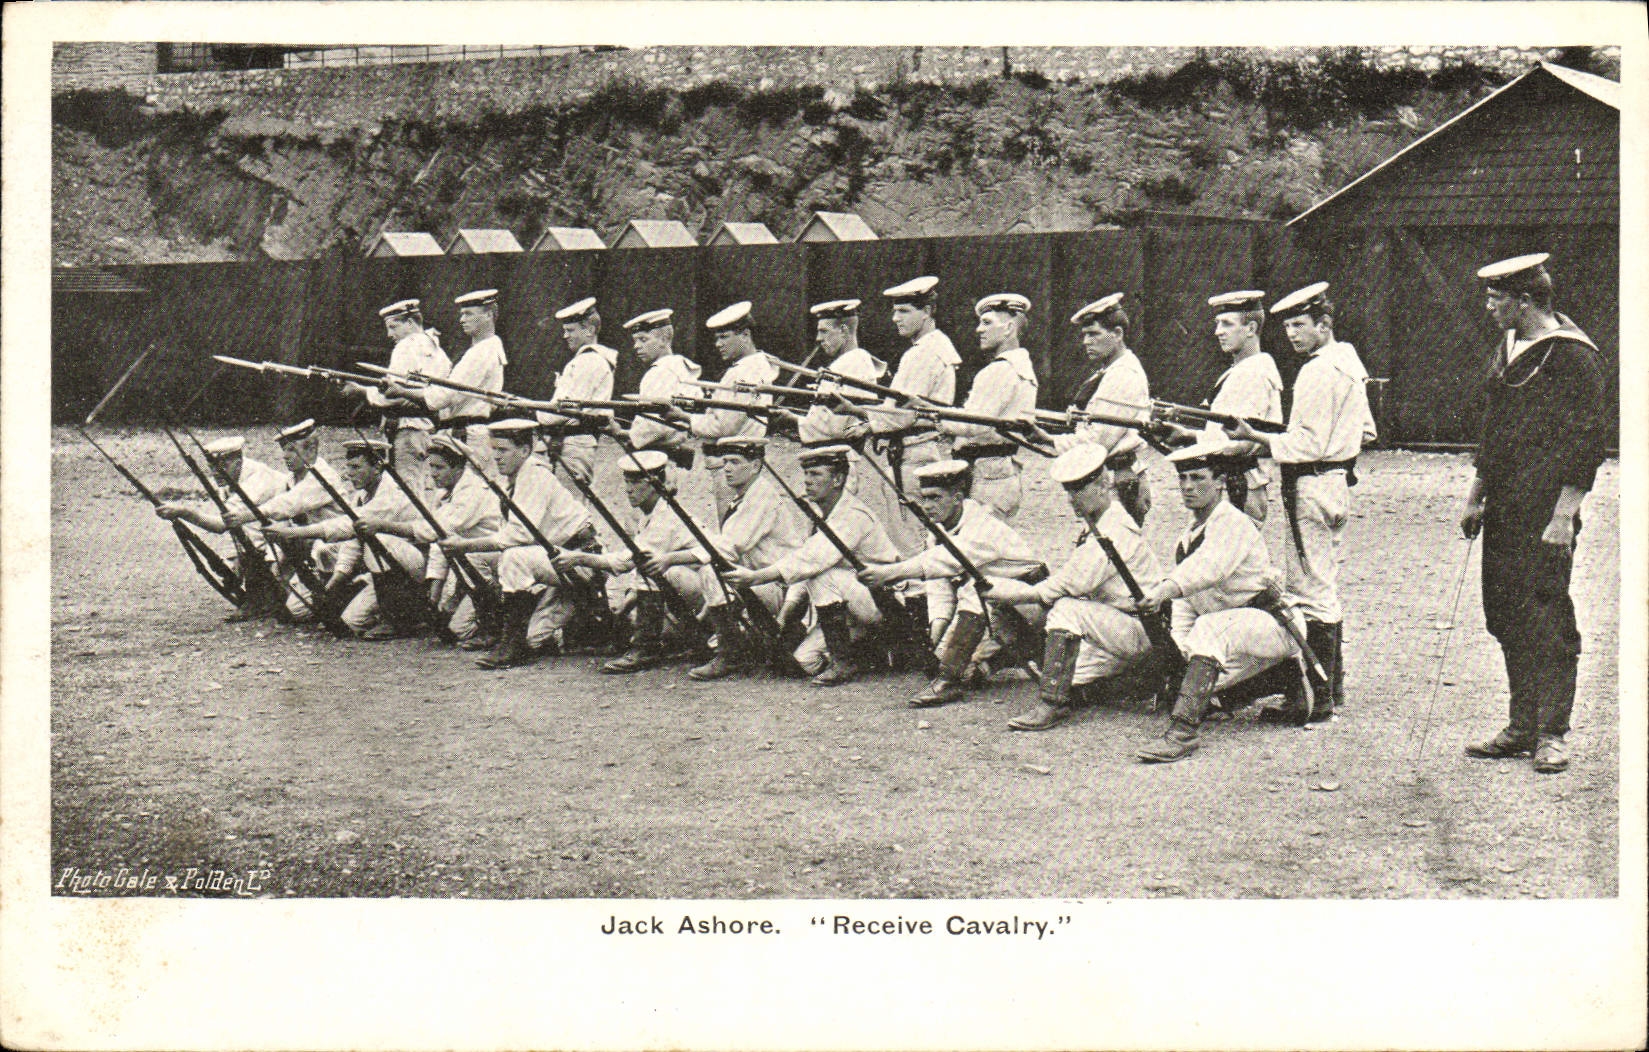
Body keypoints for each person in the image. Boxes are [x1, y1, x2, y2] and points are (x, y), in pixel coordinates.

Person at [1460, 253, 1609, 775]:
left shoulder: (1573, 355)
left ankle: (1552, 733)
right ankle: (1521, 726)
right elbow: (1493, 428)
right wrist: (1476, 494)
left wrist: (1564, 515)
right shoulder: (1509, 346)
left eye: (1496, 298)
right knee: (1504, 613)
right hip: (1504, 503)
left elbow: (1587, 442)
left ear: (1526, 301)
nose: (1488, 307)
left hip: (1547, 508)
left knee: (1546, 614)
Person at [1227, 281, 1377, 721]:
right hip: (1337, 482)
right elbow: (1367, 431)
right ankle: (1334, 687)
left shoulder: (1316, 370)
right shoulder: (1350, 361)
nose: (1292, 334)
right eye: (1288, 325)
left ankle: (1313, 699)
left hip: (1310, 484)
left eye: (1300, 324)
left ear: (1324, 324)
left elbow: (1305, 443)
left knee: (1308, 590)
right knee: (1323, 582)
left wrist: (1257, 438)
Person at [1134, 439, 1309, 764]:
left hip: (1275, 624)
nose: (1188, 487)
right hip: (1240, 633)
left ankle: (1182, 734)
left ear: (1220, 482)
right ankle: (1285, 679)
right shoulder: (1188, 534)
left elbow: (1207, 569)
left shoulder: (1232, 523)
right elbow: (1189, 603)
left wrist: (1163, 590)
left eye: (1198, 478)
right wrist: (1180, 658)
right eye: (1183, 479)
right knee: (1190, 684)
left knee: (1211, 632)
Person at [987, 444, 1165, 731]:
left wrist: (1006, 592)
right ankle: (1139, 682)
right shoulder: (1099, 523)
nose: (1071, 499)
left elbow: (1064, 586)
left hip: (1136, 629)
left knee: (1066, 609)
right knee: (1072, 681)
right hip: (1112, 628)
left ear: (1103, 484)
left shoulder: (1113, 530)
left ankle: (1050, 705)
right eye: (1068, 491)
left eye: (1078, 490)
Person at [859, 460, 1046, 708]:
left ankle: (949, 682)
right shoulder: (939, 530)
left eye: (935, 498)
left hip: (1030, 604)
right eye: (924, 498)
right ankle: (1003, 655)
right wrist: (936, 635)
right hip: (996, 609)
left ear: (957, 497)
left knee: (975, 590)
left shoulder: (983, 525)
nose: (927, 506)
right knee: (948, 661)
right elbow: (939, 586)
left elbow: (944, 561)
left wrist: (890, 573)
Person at [723, 444, 900, 687]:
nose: (807, 481)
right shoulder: (822, 513)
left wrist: (756, 578)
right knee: (803, 662)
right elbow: (804, 565)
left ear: (837, 479)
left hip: (879, 600)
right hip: (849, 601)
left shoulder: (853, 514)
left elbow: (812, 560)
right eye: (806, 474)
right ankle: (863, 648)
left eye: (816, 475)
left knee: (822, 574)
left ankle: (844, 659)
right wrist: (784, 619)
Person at [436, 419, 605, 669]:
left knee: (513, 557)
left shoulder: (535, 475)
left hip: (579, 560)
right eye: (493, 449)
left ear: (525, 450)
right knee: (534, 639)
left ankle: (511, 645)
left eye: (503, 450)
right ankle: (504, 625)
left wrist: (466, 545)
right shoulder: (514, 477)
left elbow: (519, 535)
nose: (496, 457)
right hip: (556, 561)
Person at [553, 449, 707, 675]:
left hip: (705, 595)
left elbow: (625, 562)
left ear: (655, 484)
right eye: (626, 482)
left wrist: (578, 558)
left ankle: (646, 648)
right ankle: (673, 638)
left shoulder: (666, 518)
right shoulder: (651, 513)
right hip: (689, 592)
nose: (628, 489)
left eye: (636, 483)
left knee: (650, 567)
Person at [265, 439, 426, 640]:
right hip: (382, 566)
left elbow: (347, 526)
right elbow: (352, 543)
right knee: (343, 618)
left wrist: (293, 533)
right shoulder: (362, 493)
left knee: (377, 542)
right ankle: (357, 595)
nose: (350, 474)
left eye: (356, 467)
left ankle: (399, 618)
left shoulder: (392, 494)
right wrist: (334, 583)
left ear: (377, 467)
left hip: (411, 566)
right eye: (348, 467)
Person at [678, 437, 808, 682]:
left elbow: (726, 549)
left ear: (756, 465)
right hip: (759, 583)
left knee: (711, 570)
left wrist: (674, 558)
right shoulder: (746, 495)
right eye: (725, 461)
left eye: (735, 462)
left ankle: (729, 653)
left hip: (783, 589)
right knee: (708, 570)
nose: (726, 468)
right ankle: (728, 638)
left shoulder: (761, 498)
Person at [361, 433, 500, 649]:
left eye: (439, 468)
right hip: (469, 566)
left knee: (461, 628)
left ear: (458, 468)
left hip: (493, 563)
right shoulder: (444, 493)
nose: (433, 475)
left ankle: (496, 615)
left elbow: (433, 531)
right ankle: (468, 604)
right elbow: (439, 546)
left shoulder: (473, 492)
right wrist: (433, 601)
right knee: (456, 629)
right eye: (431, 468)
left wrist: (383, 525)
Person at [1162, 290, 1282, 522]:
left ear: (1251, 329)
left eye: (1227, 324)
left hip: (1237, 486)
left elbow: (1242, 443)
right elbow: (1225, 436)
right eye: (1217, 324)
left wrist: (1196, 446)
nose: (1218, 332)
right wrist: (1189, 436)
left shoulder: (1252, 374)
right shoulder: (1240, 371)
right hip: (1227, 484)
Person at [154, 435, 293, 620]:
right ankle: (261, 593)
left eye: (222, 466)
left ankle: (265, 595)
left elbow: (222, 524)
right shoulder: (233, 477)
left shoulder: (257, 482)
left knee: (286, 599)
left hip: (290, 539)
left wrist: (184, 512)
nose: (215, 472)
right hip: (269, 538)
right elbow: (237, 529)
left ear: (238, 461)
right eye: (212, 467)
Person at [222, 419, 347, 620]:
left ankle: (339, 596)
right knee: (282, 593)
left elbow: (286, 506)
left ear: (312, 449)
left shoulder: (323, 477)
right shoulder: (293, 478)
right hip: (308, 543)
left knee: (299, 611)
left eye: (291, 450)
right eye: (284, 450)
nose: (285, 456)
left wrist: (245, 516)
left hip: (335, 545)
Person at [1051, 293, 1153, 526]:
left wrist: (1048, 440)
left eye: (1094, 334)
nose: (1086, 342)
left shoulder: (1123, 375)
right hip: (1112, 475)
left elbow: (1098, 441)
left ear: (1117, 334)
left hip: (1117, 479)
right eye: (1085, 335)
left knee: (1114, 549)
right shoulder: (1108, 371)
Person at [384, 288, 506, 477]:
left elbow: (441, 397)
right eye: (461, 314)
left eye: (468, 314)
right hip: (467, 431)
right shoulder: (486, 349)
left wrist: (401, 391)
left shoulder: (480, 353)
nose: (462, 320)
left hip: (466, 434)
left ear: (488, 315)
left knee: (466, 497)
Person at [940, 293, 1039, 521]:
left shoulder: (999, 370)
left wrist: (936, 418)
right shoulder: (1023, 367)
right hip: (1002, 471)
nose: (978, 330)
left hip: (986, 476)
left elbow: (973, 423)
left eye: (987, 323)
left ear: (1009, 328)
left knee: (977, 548)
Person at [684, 302, 779, 518]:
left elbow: (724, 425)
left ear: (745, 335)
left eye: (724, 337)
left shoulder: (744, 371)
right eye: (717, 338)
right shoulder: (756, 365)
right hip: (741, 457)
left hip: (733, 459)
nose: (718, 344)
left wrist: (687, 420)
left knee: (732, 527)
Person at [349, 298, 451, 487]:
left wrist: (363, 391)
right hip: (427, 427)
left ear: (410, 323)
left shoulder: (406, 346)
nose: (389, 334)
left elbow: (393, 393)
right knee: (419, 484)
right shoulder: (438, 351)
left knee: (405, 488)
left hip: (407, 428)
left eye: (393, 327)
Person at [538, 297, 617, 485]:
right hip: (566, 442)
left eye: (570, 330)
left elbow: (561, 411)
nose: (565, 336)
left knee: (568, 509)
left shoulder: (589, 361)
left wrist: (538, 413)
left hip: (571, 444)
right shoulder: (586, 361)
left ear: (589, 330)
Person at [617, 308, 700, 470]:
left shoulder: (659, 372)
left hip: (658, 455)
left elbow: (653, 425)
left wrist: (625, 434)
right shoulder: (682, 367)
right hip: (677, 448)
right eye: (635, 340)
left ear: (664, 339)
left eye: (643, 339)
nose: (636, 346)